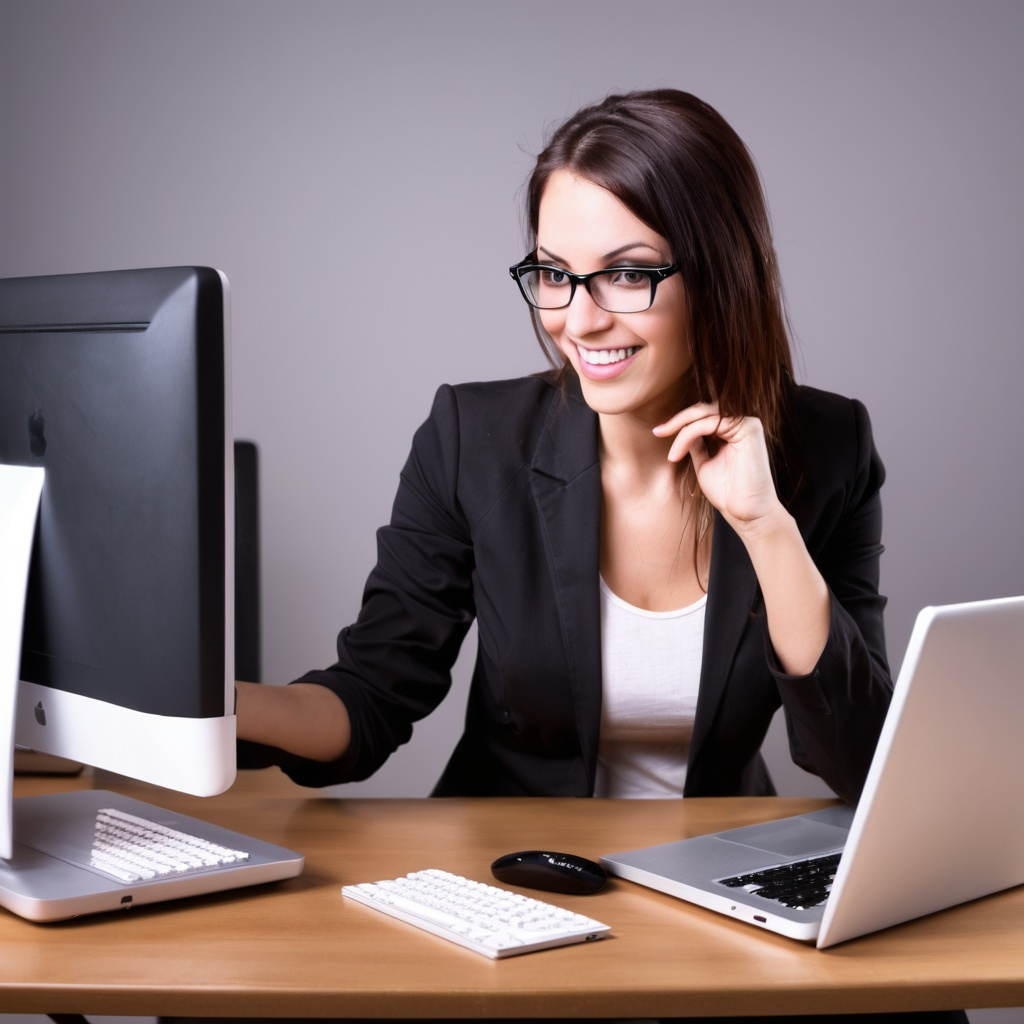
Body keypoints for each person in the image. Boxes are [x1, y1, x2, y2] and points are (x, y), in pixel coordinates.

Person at [236, 89, 893, 808]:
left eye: (627, 274)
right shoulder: (471, 439)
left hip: (713, 860)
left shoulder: (830, 448)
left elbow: (861, 760)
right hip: (506, 859)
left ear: (722, 275)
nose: (578, 322)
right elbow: (370, 698)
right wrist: (207, 706)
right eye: (554, 275)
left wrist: (768, 529)